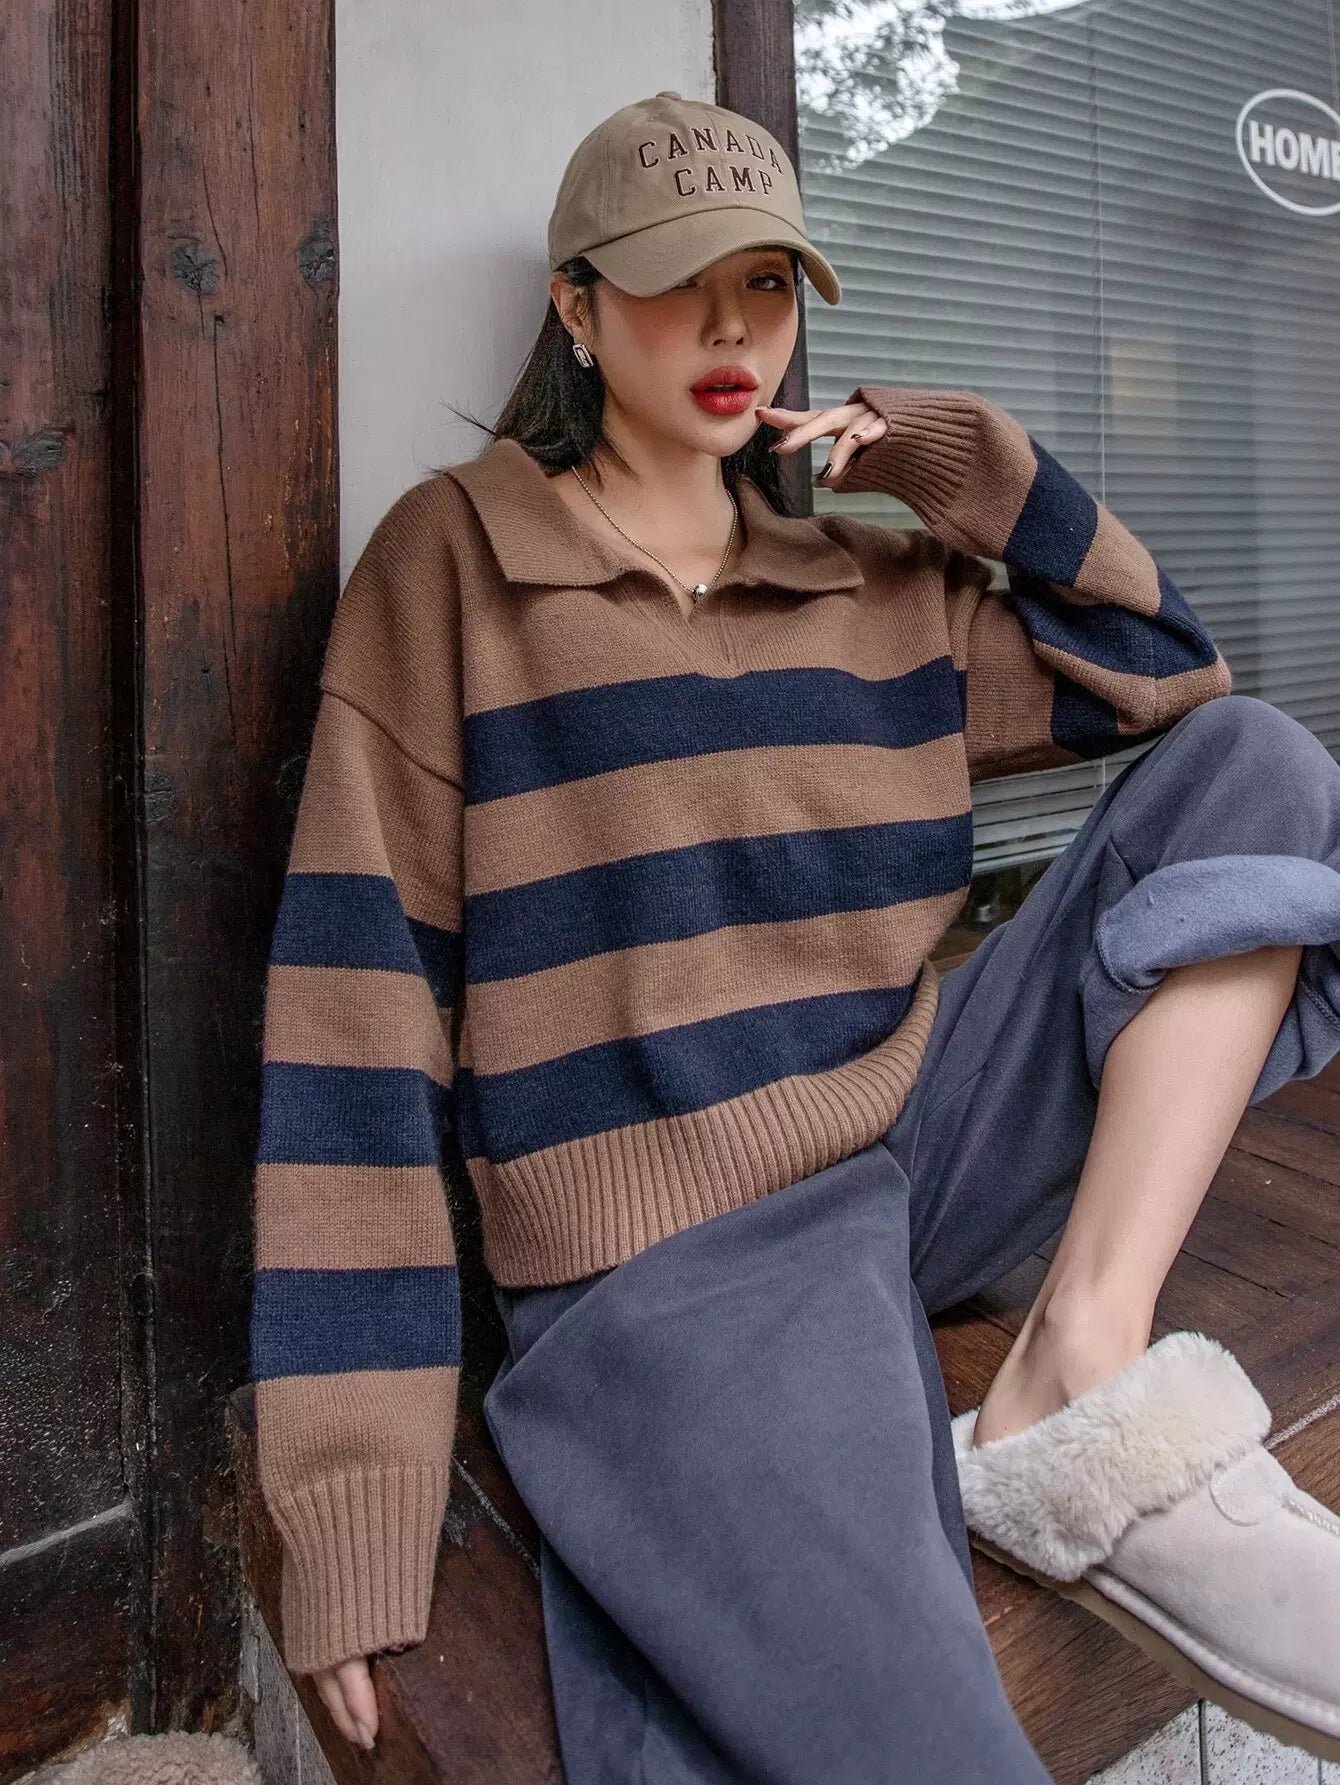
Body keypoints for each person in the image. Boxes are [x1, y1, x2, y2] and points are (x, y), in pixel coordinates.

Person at [248, 91, 1340, 1780]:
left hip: (909, 1141)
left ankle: (1080, 1356)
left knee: (1263, 770)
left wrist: (941, 461)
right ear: (577, 305)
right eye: (678, 282)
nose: (731, 330)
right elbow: (355, 1018)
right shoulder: (454, 564)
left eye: (764, 284)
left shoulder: (861, 582)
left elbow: (1168, 668)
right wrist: (350, 1502)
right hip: (673, 1251)